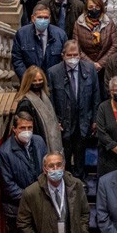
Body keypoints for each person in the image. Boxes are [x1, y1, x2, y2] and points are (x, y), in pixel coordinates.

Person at [0, 112, 47, 233]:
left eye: (29, 128)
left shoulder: (39, 142)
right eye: (23, 128)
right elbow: (8, 185)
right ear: (14, 130)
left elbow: (46, 168)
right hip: (16, 206)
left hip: (39, 202)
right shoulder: (4, 152)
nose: (27, 132)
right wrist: (31, 197)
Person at [47, 41, 101, 178]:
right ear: (63, 56)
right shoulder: (53, 72)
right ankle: (65, 178)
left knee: (80, 152)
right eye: (69, 55)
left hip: (83, 119)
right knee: (65, 151)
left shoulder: (90, 69)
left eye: (75, 55)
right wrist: (54, 121)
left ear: (80, 55)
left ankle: (79, 180)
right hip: (63, 121)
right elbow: (51, 99)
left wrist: (95, 119)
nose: (72, 58)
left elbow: (96, 96)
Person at [15, 66, 63, 153]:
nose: (38, 83)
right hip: (37, 144)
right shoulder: (25, 103)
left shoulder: (46, 97)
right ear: (28, 82)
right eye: (34, 81)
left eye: (40, 80)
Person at [11, 4, 67, 77]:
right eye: (39, 17)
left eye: (46, 17)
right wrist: (28, 78)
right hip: (30, 81)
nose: (43, 20)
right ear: (32, 18)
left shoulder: (60, 35)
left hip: (53, 82)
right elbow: (17, 59)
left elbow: (65, 60)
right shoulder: (22, 34)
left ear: (49, 19)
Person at [74, 0, 117, 69]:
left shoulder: (109, 23)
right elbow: (76, 46)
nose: (94, 9)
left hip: (105, 66)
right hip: (85, 66)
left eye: (97, 7)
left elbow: (114, 45)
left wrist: (101, 63)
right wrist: (92, 64)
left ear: (101, 8)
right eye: (90, 7)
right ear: (86, 9)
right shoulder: (79, 24)